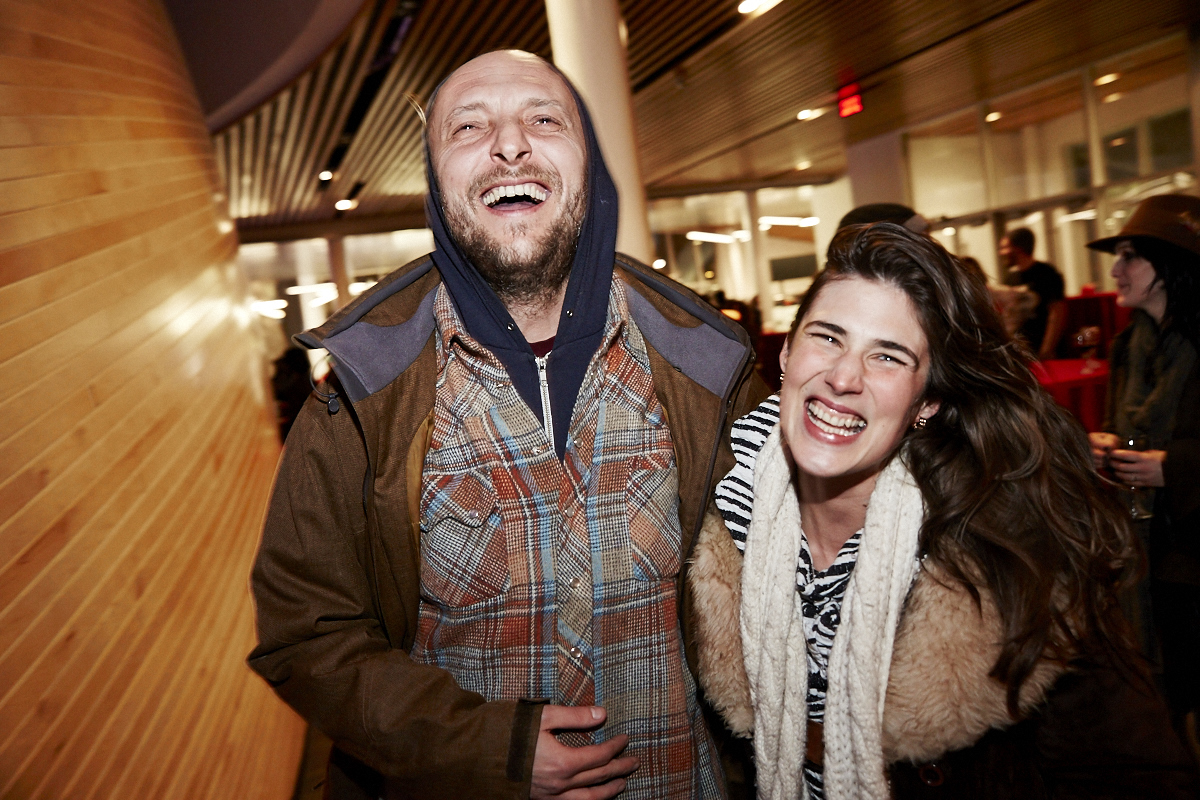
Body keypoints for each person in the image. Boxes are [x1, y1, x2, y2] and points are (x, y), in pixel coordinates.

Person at [248, 50, 767, 800]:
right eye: (469, 126)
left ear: (589, 167)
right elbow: (307, 635)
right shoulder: (359, 398)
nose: (510, 144)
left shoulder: (711, 368)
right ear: (436, 183)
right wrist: (487, 749)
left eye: (544, 119)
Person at [688, 222, 1197, 798]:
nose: (843, 377)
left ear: (927, 402)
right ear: (785, 352)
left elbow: (1139, 776)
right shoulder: (712, 522)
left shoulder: (1013, 557)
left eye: (888, 356)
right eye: (827, 337)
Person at [1086, 193, 1200, 753]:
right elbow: (1130, 431)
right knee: (1160, 709)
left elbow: (1170, 453)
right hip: (1147, 557)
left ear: (1170, 265)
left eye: (1131, 255)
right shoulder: (1129, 345)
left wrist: (1172, 467)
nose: (1115, 269)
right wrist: (1107, 451)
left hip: (1192, 555)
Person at [1001, 226, 1066, 360]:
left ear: (1018, 248)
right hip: (1019, 352)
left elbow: (1057, 312)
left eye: (1004, 247)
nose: (1001, 252)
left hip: (1042, 352)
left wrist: (1046, 350)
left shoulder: (1047, 273)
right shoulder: (1010, 278)